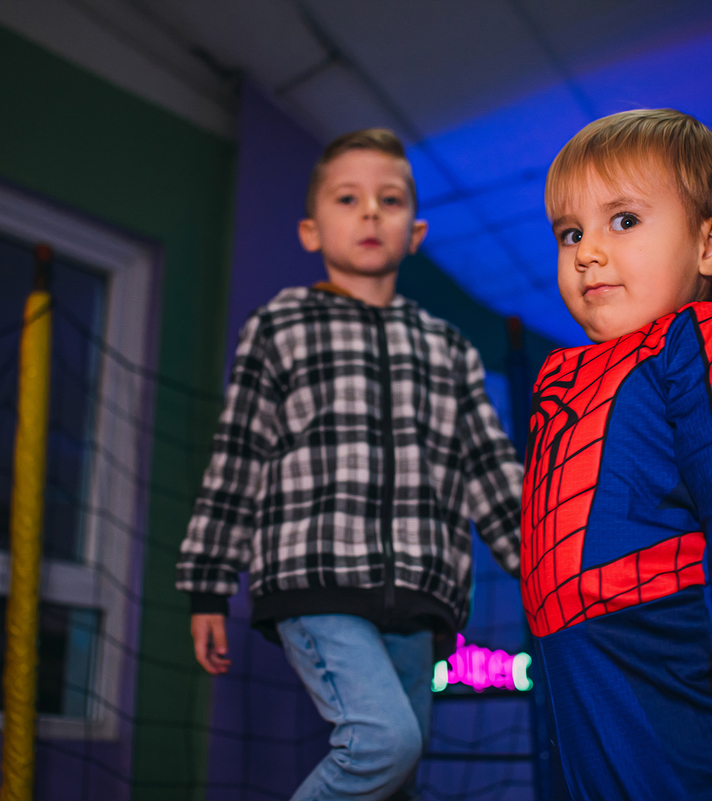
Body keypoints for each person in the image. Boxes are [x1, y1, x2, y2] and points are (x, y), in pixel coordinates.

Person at [176, 128, 523, 800]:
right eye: (348, 198)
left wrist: (548, 565)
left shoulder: (448, 347)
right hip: (317, 575)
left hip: (421, 591)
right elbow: (238, 454)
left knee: (397, 778)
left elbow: (490, 467)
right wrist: (208, 583)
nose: (369, 212)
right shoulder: (282, 324)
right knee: (381, 740)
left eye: (389, 200)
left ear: (415, 232)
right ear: (311, 230)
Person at [520, 109, 712, 800]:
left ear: (711, 243)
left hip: (665, 639)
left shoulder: (703, 336)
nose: (586, 252)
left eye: (623, 221)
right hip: (573, 659)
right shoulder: (568, 374)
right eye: (570, 232)